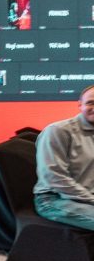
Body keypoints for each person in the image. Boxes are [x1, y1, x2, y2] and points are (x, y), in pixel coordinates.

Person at [34, 84, 94, 230]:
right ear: (79, 105)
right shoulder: (58, 131)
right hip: (56, 199)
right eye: (90, 102)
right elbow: (54, 178)